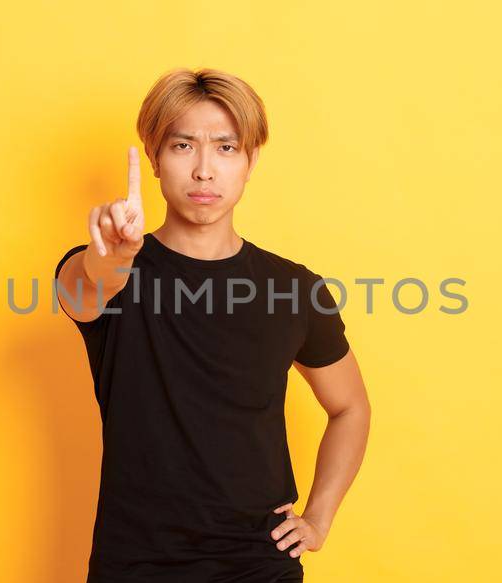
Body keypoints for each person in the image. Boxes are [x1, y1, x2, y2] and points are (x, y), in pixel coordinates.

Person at [55, 68, 371, 582]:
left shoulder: (293, 288)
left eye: (225, 148)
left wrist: (319, 517)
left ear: (250, 162)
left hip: (260, 567)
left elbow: (350, 407)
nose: (204, 170)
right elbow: (86, 287)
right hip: (136, 566)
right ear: (155, 159)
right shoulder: (111, 270)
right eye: (183, 146)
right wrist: (111, 260)